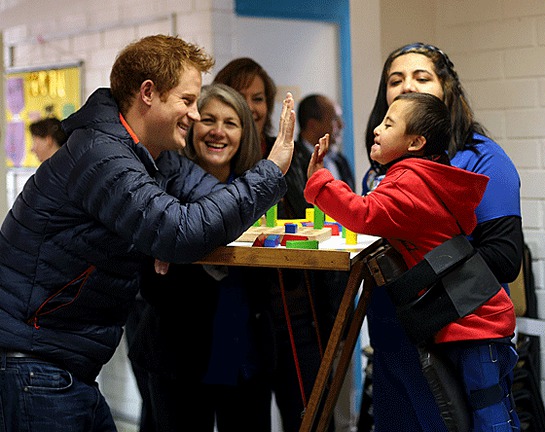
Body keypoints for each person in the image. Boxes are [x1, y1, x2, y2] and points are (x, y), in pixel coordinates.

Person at [0, 34, 295, 432]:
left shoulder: (153, 158)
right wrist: (268, 171)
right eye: (187, 101)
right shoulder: (103, 155)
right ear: (148, 94)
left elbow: (199, 203)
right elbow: (182, 232)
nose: (194, 115)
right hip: (34, 365)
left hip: (64, 366)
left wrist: (167, 226)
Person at [305, 92, 519, 432]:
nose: (377, 128)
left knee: (488, 414)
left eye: (389, 124)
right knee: (479, 410)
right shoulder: (423, 176)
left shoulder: (409, 182)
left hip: (475, 322)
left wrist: (319, 181)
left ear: (416, 142)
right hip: (472, 313)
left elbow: (363, 214)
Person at [356, 42, 523, 432]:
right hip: (390, 343)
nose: (406, 86)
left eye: (422, 77)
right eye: (395, 80)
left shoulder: (484, 161)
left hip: (454, 341)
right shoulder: (381, 170)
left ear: (447, 89)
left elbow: (504, 257)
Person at [128, 83, 273, 432]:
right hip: (177, 358)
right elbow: (149, 285)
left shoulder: (259, 192)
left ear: (244, 133)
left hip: (247, 355)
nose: (218, 132)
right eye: (208, 120)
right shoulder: (161, 190)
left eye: (231, 123)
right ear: (191, 126)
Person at [214, 60, 338, 432]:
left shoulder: (294, 155)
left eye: (258, 98)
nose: (251, 107)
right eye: (240, 96)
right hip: (237, 322)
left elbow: (318, 227)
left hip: (297, 318)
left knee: (312, 419)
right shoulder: (216, 158)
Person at [296, 94, 355, 191]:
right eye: (335, 119)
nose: (341, 125)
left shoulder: (341, 162)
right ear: (313, 125)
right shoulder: (292, 163)